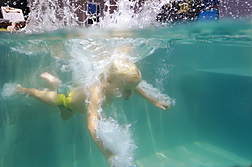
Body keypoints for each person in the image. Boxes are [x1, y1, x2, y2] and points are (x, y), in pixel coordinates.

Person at [15, 57, 171, 164]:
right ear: (108, 81)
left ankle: (56, 83)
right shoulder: (96, 93)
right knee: (43, 97)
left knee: (66, 116)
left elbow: (135, 87)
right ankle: (22, 89)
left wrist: (153, 100)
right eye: (125, 89)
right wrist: (108, 154)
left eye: (129, 89)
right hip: (66, 100)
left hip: (76, 99)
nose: (129, 93)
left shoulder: (114, 83)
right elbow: (92, 124)